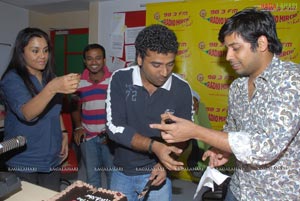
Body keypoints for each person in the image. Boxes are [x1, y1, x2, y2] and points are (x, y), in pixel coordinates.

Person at [150, 8, 300, 200]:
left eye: (235, 48)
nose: (228, 56)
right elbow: (232, 129)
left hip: (276, 195)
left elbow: (265, 146)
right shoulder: (237, 86)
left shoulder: (291, 81)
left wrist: (196, 131)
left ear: (261, 43)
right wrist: (221, 148)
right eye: (227, 48)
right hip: (239, 189)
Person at [105, 24, 193, 200]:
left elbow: (185, 135)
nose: (164, 72)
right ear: (139, 58)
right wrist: (155, 147)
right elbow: (114, 127)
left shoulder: (182, 89)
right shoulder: (121, 79)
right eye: (156, 65)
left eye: (170, 64)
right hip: (123, 171)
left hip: (158, 171)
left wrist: (163, 163)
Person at [0, 27, 80, 191]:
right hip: (25, 158)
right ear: (21, 52)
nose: (42, 56)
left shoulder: (47, 77)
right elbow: (27, 113)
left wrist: (64, 133)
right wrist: (52, 88)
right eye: (35, 51)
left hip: (51, 156)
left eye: (45, 50)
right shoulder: (12, 79)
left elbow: (55, 110)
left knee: (51, 195)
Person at [71, 43, 114, 188]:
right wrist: (78, 127)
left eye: (98, 58)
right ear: (84, 61)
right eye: (89, 59)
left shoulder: (114, 80)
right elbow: (75, 106)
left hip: (109, 137)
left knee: (112, 175)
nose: (94, 62)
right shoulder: (78, 82)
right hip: (87, 137)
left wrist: (111, 132)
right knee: (92, 176)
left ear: (104, 60)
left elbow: (120, 109)